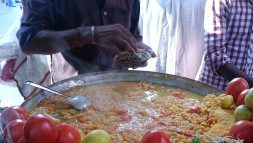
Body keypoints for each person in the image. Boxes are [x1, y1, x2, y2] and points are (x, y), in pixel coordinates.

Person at [17, 0, 155, 82]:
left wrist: (136, 48)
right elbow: (28, 40)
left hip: (122, 86)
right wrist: (91, 34)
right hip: (74, 93)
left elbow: (132, 33)